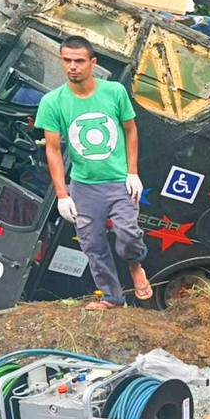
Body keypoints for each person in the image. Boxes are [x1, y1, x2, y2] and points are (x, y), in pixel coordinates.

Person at [35, 35, 153, 310]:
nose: (72, 66)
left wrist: (132, 172)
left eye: (79, 61)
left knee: (128, 234)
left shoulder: (114, 92)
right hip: (84, 187)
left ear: (92, 63)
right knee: (93, 245)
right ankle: (112, 298)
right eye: (67, 60)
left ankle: (135, 266)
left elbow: (130, 129)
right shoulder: (53, 102)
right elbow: (53, 149)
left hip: (119, 181)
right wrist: (63, 195)